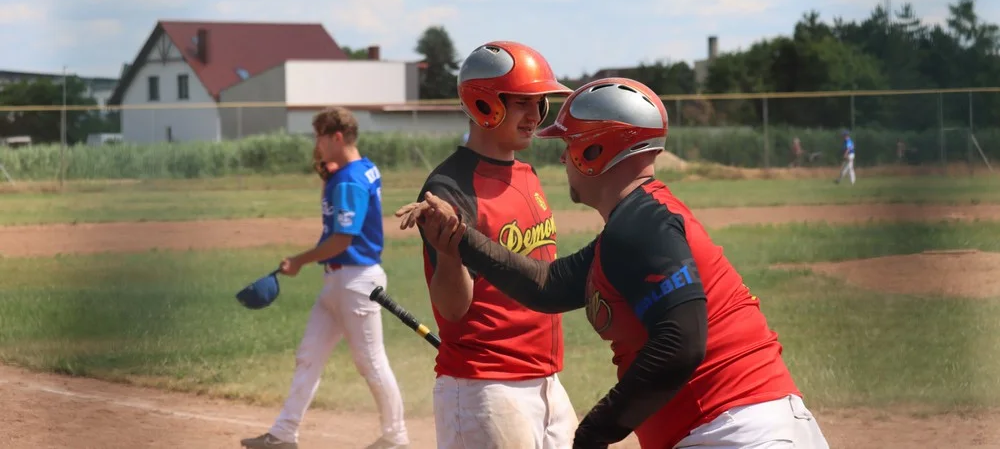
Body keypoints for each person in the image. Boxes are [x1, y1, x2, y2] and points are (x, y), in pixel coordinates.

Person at [397, 77, 831, 449]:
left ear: (594, 152)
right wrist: (459, 237)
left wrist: (595, 432)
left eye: (570, 145)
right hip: (734, 428)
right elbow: (546, 285)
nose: (564, 158)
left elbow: (683, 343)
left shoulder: (641, 226)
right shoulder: (634, 225)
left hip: (733, 431)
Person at [406, 40, 579, 449]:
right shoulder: (450, 187)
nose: (535, 116)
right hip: (488, 384)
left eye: (540, 104)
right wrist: (449, 253)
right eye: (522, 103)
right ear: (485, 105)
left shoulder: (527, 174)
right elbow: (452, 308)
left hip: (546, 379)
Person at [242, 106, 410, 449]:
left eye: (320, 137)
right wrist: (329, 175)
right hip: (340, 281)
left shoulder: (348, 180)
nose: (315, 144)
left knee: (371, 362)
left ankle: (397, 438)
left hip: (357, 280)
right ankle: (284, 433)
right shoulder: (359, 170)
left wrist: (300, 261)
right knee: (309, 355)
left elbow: (341, 240)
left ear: (336, 137)